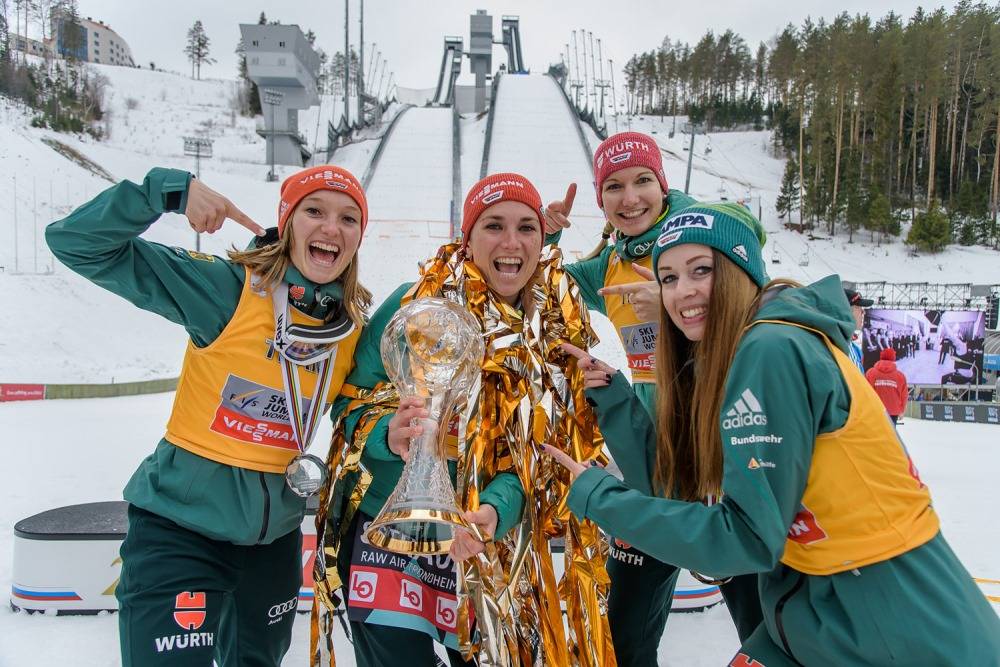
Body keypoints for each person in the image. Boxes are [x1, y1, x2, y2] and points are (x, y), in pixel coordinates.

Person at [544, 201, 1000, 666]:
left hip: (894, 622)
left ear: (742, 269)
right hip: (819, 616)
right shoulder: (725, 359)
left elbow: (740, 540)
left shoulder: (772, 348)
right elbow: (681, 488)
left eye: (701, 270)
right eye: (669, 278)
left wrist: (599, 497)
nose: (683, 292)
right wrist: (617, 400)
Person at [46, 165, 369, 666]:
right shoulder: (227, 290)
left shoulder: (349, 333)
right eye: (315, 211)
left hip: (272, 545)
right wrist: (166, 192)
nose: (332, 228)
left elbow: (368, 409)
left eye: (349, 219)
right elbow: (76, 243)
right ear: (286, 223)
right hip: (180, 532)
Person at [312, 173, 613, 667]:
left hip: (480, 547)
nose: (511, 243)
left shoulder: (552, 333)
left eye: (527, 228)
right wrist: (386, 435)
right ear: (466, 238)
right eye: (493, 226)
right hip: (388, 537)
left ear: (543, 240)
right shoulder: (416, 305)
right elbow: (348, 406)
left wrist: (495, 511)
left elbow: (544, 454)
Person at [546, 133, 760, 666]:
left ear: (663, 185)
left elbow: (750, 302)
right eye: (613, 186)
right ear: (601, 201)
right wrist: (546, 238)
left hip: (721, 463)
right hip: (653, 463)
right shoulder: (612, 263)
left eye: (643, 180)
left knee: (764, 631)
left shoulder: (700, 239)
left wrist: (670, 302)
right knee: (624, 638)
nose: (630, 197)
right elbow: (548, 290)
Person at [866, 348, 909, 424]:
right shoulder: (900, 376)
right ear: (893, 358)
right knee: (890, 435)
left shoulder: (870, 373)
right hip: (893, 412)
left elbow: (865, 392)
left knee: (875, 434)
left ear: (881, 357)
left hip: (875, 410)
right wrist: (901, 411)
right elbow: (904, 395)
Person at [843, 288, 872, 372]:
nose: (864, 313)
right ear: (847, 311)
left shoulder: (853, 348)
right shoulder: (844, 347)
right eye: (859, 308)